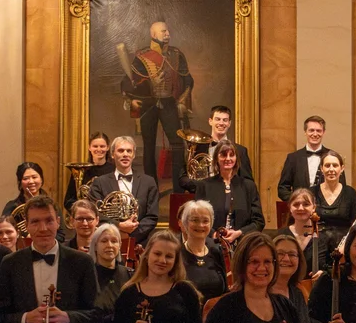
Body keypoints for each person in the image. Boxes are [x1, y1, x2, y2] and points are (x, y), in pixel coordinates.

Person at [122, 21, 194, 187]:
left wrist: (183, 99)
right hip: (149, 104)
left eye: (168, 31)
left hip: (169, 103)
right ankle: (150, 186)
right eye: (163, 31)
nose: (167, 34)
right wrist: (150, 83)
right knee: (149, 145)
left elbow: (188, 79)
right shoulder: (141, 56)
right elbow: (130, 84)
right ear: (153, 35)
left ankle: (179, 185)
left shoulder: (177, 55)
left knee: (177, 143)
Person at [87, 136, 160, 246]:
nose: (125, 154)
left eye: (129, 151)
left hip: (140, 244)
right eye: (120, 151)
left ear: (133, 155)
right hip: (107, 242)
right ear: (112, 154)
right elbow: (96, 214)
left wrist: (129, 235)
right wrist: (118, 227)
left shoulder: (148, 182)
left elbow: (152, 216)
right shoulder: (99, 182)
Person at [194, 140, 264, 250]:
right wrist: (214, 235)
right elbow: (197, 218)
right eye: (223, 155)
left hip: (243, 247)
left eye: (231, 155)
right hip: (211, 247)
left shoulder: (248, 186)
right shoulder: (204, 185)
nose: (228, 159)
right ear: (216, 158)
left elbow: (258, 222)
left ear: (236, 159)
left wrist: (239, 233)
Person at [87, 223, 131, 323]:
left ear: (119, 245)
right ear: (95, 246)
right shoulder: (87, 274)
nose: (109, 245)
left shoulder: (129, 274)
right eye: (104, 241)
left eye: (114, 241)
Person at [174, 200, 228, 300]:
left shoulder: (216, 251)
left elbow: (225, 290)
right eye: (195, 220)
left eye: (205, 221)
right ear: (185, 223)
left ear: (211, 224)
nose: (201, 225)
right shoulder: (176, 253)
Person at [279, 188, 331, 281]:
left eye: (306, 204)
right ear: (290, 208)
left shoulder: (324, 238)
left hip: (315, 290)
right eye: (296, 204)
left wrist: (325, 274)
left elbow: (333, 267)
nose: (301, 208)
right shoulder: (280, 236)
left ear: (314, 207)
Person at [310, 150, 356, 247]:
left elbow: (355, 226)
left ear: (342, 169)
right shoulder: (311, 192)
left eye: (335, 165)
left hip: (343, 246)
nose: (331, 169)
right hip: (316, 244)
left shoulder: (350, 193)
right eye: (327, 165)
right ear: (321, 168)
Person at [276, 115, 329, 200]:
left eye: (319, 131)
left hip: (327, 210)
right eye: (311, 130)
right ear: (305, 132)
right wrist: (297, 201)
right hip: (300, 210)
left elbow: (341, 187)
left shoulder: (332, 156)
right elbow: (282, 188)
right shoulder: (293, 158)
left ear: (323, 132)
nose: (315, 134)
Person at [63, 132, 113, 211]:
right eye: (95, 146)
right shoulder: (80, 170)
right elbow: (68, 201)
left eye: (102, 146)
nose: (99, 149)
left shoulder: (114, 170)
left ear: (107, 147)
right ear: (89, 147)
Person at [204, 105, 254, 182]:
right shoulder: (198, 148)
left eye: (225, 120)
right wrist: (202, 186)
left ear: (229, 123)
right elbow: (183, 178)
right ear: (210, 121)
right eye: (217, 119)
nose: (221, 123)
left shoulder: (241, 151)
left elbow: (248, 181)